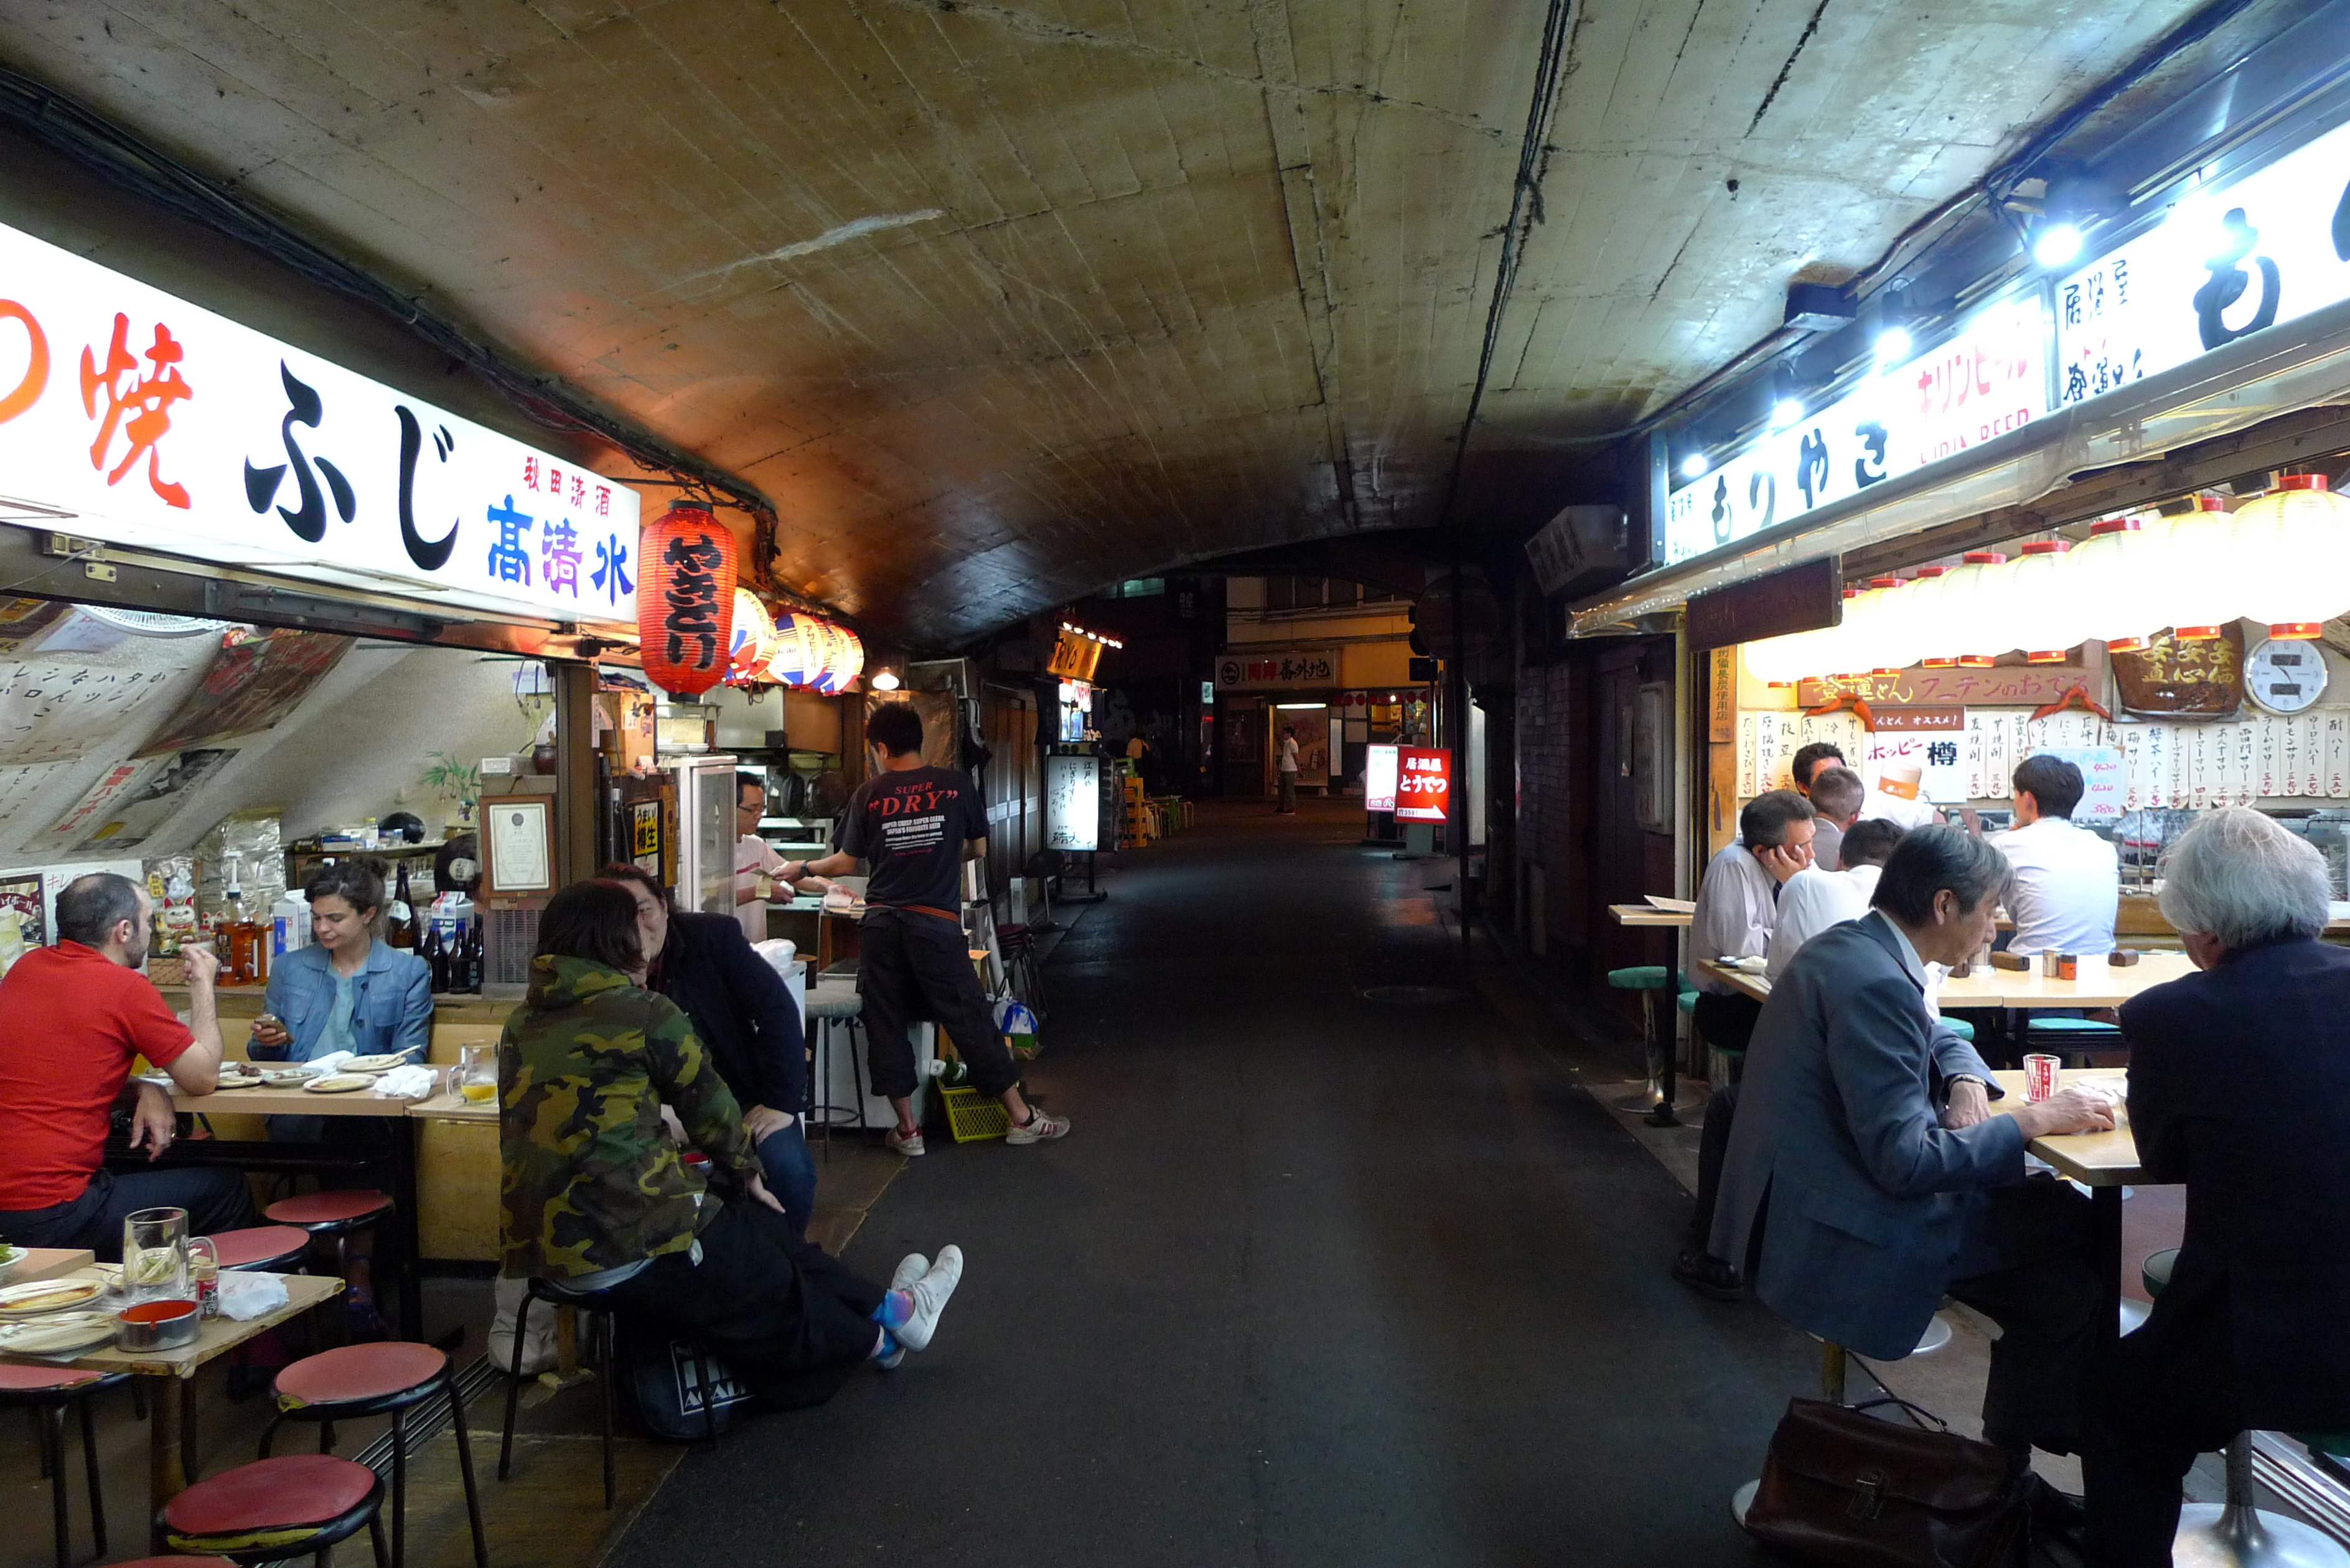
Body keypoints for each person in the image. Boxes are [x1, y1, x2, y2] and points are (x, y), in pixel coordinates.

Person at [1711, 828, 2115, 1503]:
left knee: (2064, 1268)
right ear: (1943, 904)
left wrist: (1966, 1082)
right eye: (1990, 910)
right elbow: (1906, 1164)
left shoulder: (1853, 948)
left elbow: (1935, 1035)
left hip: (1798, 1197)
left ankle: (2011, 1461)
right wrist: (2031, 1121)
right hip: (1841, 1224)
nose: (1994, 929)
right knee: (2076, 1237)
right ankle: (2023, 1464)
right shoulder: (1875, 982)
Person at [499, 879, 965, 1407]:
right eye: (632, 926)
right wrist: (746, 1170)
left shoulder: (519, 1023)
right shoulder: (644, 1013)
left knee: (753, 1231)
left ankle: (898, 1313)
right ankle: (887, 1333)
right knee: (770, 1261)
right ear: (611, 939)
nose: (643, 937)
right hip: (628, 1247)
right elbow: (712, 1111)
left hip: (544, 1257)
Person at [2083, 809, 2350, 1565]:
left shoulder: (2171, 1016)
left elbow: (2163, 1163)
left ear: (2199, 931)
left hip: (2265, 1329)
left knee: (2118, 1407)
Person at [798, 702, 1070, 1155]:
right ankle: (1021, 1118)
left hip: (882, 925)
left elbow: (845, 863)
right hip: (936, 926)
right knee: (968, 1017)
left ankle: (908, 1131)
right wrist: (939, 855)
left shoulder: (868, 793)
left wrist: (803, 867)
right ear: (919, 740)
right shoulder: (956, 785)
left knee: (886, 1023)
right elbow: (978, 850)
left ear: (881, 748)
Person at [0, 872, 260, 1257]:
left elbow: (61, 1077)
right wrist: (203, 985)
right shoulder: (124, 988)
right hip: (55, 1212)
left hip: (10, 1208)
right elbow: (203, 1077)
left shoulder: (25, 969)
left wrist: (141, 1087)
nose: (151, 932)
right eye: (148, 921)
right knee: (226, 1188)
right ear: (123, 931)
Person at [250, 857, 433, 1334]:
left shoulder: (406, 971)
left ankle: (352, 1277)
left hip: (369, 1109)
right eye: (316, 918)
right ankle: (351, 1281)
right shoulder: (291, 968)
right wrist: (267, 1040)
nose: (322, 929)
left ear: (368, 914)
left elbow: (412, 1056)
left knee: (358, 1134)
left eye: (335, 918)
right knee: (350, 1142)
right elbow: (265, 1052)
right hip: (298, 1108)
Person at [600, 862, 820, 1240]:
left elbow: (776, 1009)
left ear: (664, 906)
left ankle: (786, 1261)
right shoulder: (597, 966)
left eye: (644, 910)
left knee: (790, 1171)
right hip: (647, 1109)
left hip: (736, 1100)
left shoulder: (711, 937)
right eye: (621, 917)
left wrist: (782, 1103)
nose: (636, 926)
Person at [1687, 788, 1815, 1058]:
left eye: (1812, 841)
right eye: (1802, 847)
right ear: (1763, 852)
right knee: (1821, 1037)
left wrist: (1797, 884)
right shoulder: (1733, 866)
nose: (1812, 855)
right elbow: (1745, 952)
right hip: (1732, 1005)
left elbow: (1819, 929)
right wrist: (1795, 886)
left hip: (1777, 997)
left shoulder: (1800, 868)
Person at [1987, 755, 2118, 957]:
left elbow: (1980, 907)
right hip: (2101, 965)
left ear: (2028, 799)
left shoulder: (2006, 845)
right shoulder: (2104, 848)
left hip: (2034, 964)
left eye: (2016, 794)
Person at [1766, 812, 1900, 981]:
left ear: (1840, 859)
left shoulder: (1804, 883)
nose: (1811, 854)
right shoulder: (1914, 904)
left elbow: (1776, 975)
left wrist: (1795, 881)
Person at [735, 772, 790, 944]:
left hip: (757, 949)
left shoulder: (756, 845)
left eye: (761, 809)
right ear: (727, 806)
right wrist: (761, 891)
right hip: (725, 950)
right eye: (752, 809)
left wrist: (830, 887)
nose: (759, 815)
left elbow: (789, 872)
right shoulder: (709, 851)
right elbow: (710, 897)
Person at [1789, 742, 1848, 872]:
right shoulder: (1795, 834)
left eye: (1843, 775)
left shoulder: (1871, 814)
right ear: (1803, 787)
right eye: (1827, 780)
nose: (1840, 785)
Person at [1275, 724, 1299, 813]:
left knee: (1289, 789)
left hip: (1290, 769)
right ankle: (1282, 807)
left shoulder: (1292, 743)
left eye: (1284, 733)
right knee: (1281, 789)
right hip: (1284, 769)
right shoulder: (1286, 743)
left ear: (1289, 734)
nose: (1283, 735)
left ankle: (1291, 808)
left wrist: (1298, 767)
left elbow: (1296, 756)